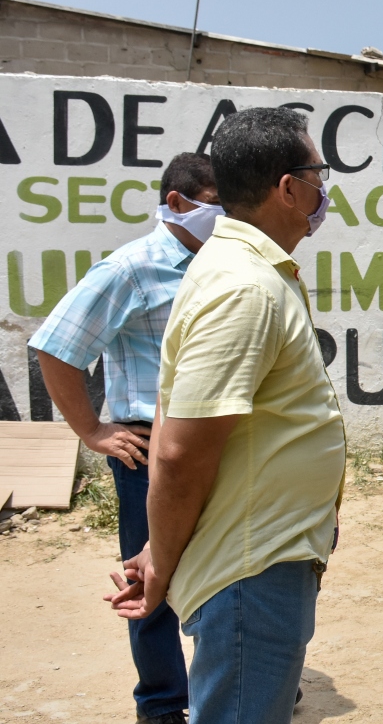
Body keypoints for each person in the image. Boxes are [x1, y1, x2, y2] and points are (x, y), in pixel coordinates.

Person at [104, 107, 345, 724]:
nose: (325, 189)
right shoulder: (245, 286)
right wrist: (159, 557)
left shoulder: (250, 272)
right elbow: (181, 450)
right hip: (251, 569)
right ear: (288, 188)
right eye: (319, 174)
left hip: (262, 555)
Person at [29, 152, 221, 724]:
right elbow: (57, 346)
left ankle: (241, 683)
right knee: (152, 576)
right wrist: (92, 429)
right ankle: (162, 702)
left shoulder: (224, 264)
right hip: (148, 449)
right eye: (215, 206)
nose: (226, 217)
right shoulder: (131, 269)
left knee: (229, 569)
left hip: (219, 443)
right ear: (177, 204)